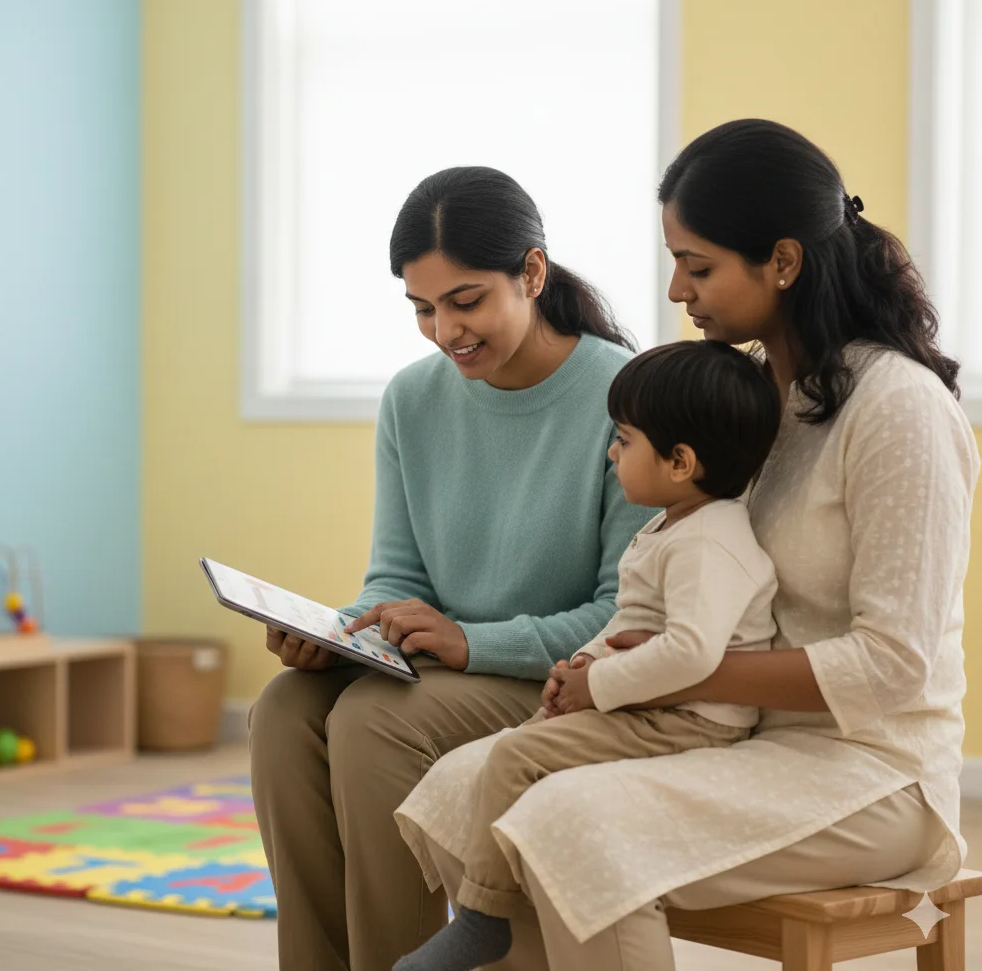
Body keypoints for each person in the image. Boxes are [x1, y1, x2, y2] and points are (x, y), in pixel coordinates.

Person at [392, 119, 980, 971]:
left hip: (875, 775)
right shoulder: (748, 399)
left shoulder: (899, 409)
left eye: (698, 267)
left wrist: (670, 669)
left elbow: (893, 666)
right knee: (463, 786)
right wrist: (614, 665)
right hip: (736, 738)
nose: (676, 290)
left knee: (572, 824)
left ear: (782, 261)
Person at [248, 166, 658, 971]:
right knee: (285, 709)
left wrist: (469, 643)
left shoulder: (626, 395)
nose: (444, 331)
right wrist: (345, 633)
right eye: (422, 309)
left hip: (559, 680)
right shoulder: (413, 399)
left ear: (531, 274)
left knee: (371, 725)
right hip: (444, 670)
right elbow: (396, 575)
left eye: (465, 302)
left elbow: (625, 617)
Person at [394, 339, 781, 971]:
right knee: (511, 747)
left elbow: (692, 652)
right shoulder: (672, 524)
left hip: (693, 722)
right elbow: (633, 623)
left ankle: (482, 917)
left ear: (680, 461)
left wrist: (597, 687)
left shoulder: (711, 541)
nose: (610, 451)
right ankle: (508, 927)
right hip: (654, 707)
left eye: (625, 441)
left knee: (517, 755)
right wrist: (580, 667)